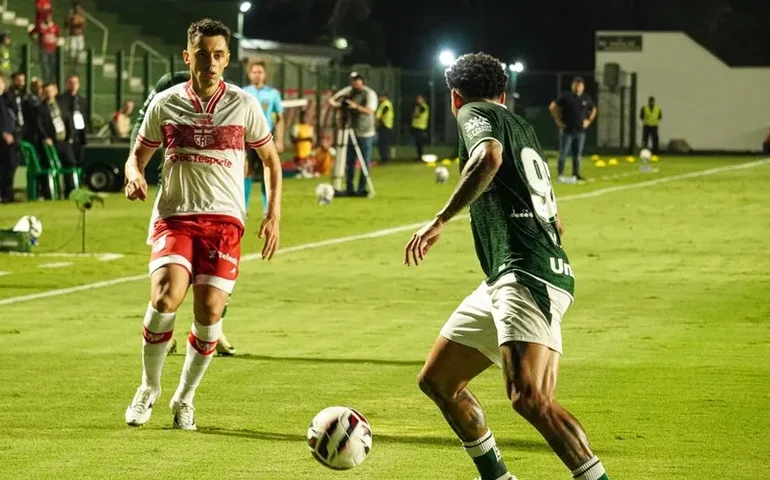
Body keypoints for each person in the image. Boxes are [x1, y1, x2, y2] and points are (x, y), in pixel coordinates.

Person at [405, 53, 610, 480]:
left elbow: (489, 157)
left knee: (530, 398)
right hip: (512, 273)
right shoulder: (522, 125)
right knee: (439, 380)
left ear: (454, 97)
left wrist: (440, 218)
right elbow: (552, 214)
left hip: (524, 273)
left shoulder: (475, 112)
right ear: (504, 93)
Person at [123, 18, 282, 430]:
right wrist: (134, 174)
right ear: (186, 56)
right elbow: (137, 154)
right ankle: (148, 388)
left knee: (210, 312)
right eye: (201, 54)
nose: (210, 62)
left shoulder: (245, 105)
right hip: (175, 216)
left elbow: (270, 162)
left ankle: (184, 399)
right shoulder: (166, 102)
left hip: (225, 221)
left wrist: (273, 213)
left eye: (218, 55)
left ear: (227, 59)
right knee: (163, 298)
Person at [242, 60, 284, 215]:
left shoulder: (273, 94)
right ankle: (243, 207)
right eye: (254, 72)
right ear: (249, 74)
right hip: (247, 139)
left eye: (260, 72)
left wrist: (279, 139)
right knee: (245, 172)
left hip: (266, 139)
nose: (257, 75)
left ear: (264, 74)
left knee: (268, 171)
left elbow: (279, 118)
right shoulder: (244, 92)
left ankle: (268, 209)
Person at [328, 72, 377, 196]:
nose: (354, 83)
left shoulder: (369, 94)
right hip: (350, 130)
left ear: (362, 81)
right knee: (350, 162)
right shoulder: (349, 91)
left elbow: (370, 110)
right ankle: (349, 188)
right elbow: (333, 99)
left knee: (364, 162)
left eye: (357, 80)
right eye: (353, 81)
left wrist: (356, 106)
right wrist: (339, 105)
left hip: (365, 132)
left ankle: (362, 189)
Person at [549, 76, 596, 183]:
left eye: (580, 85)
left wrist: (588, 120)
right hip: (567, 131)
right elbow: (553, 106)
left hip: (580, 131)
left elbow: (593, 109)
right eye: (576, 85)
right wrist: (558, 121)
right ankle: (560, 174)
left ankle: (576, 174)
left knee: (577, 155)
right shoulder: (566, 96)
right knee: (563, 153)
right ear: (573, 86)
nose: (578, 87)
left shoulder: (585, 97)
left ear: (583, 87)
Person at [37, 82, 77, 196]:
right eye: (46, 91)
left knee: (70, 164)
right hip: (51, 143)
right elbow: (39, 125)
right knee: (49, 165)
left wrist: (70, 137)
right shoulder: (40, 109)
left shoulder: (62, 105)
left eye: (51, 91)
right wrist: (45, 138)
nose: (49, 93)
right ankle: (49, 193)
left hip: (64, 141)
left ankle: (71, 192)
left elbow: (68, 121)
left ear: (55, 91)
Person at [57, 74, 88, 164]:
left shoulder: (82, 100)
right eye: (71, 83)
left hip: (79, 134)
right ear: (66, 84)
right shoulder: (61, 100)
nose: (73, 85)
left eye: (75, 83)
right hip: (68, 135)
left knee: (80, 159)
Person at [0, 74, 19, 203]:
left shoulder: (7, 100)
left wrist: (14, 134)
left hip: (11, 141)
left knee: (10, 166)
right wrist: (2, 133)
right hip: (2, 139)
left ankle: (7, 194)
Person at [28, 12, 60, 84]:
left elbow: (58, 35)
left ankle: (53, 80)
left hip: (53, 49)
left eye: (49, 17)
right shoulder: (40, 26)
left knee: (53, 65)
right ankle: (46, 81)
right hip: (43, 49)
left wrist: (55, 42)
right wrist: (36, 42)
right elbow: (31, 33)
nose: (47, 19)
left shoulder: (55, 26)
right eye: (46, 17)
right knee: (45, 66)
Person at [375, 92, 393, 164]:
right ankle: (383, 158)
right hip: (384, 125)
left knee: (384, 143)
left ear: (385, 97)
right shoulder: (384, 104)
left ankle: (386, 159)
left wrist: (377, 121)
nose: (380, 98)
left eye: (381, 97)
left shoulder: (386, 104)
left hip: (385, 125)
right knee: (382, 143)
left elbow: (381, 114)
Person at [411, 94, 429, 161]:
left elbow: (416, 115)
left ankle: (420, 156)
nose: (418, 100)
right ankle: (418, 156)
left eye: (419, 99)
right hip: (416, 127)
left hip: (421, 127)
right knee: (417, 143)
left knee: (420, 143)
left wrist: (414, 114)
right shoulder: (418, 106)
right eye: (417, 99)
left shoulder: (423, 107)